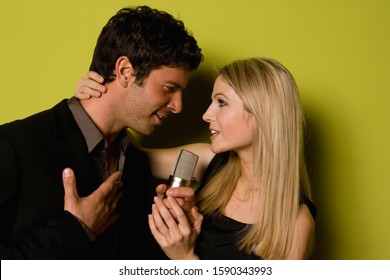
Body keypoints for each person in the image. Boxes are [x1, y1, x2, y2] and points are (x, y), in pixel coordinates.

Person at [0, 5, 203, 259]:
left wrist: (172, 238)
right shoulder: (13, 146)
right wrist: (75, 230)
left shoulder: (135, 164)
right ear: (125, 72)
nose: (178, 106)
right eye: (169, 88)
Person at [75, 57, 317, 260]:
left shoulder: (295, 224)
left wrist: (185, 258)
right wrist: (103, 99)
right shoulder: (209, 160)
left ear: (262, 113)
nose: (206, 115)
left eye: (221, 103)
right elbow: (127, 153)